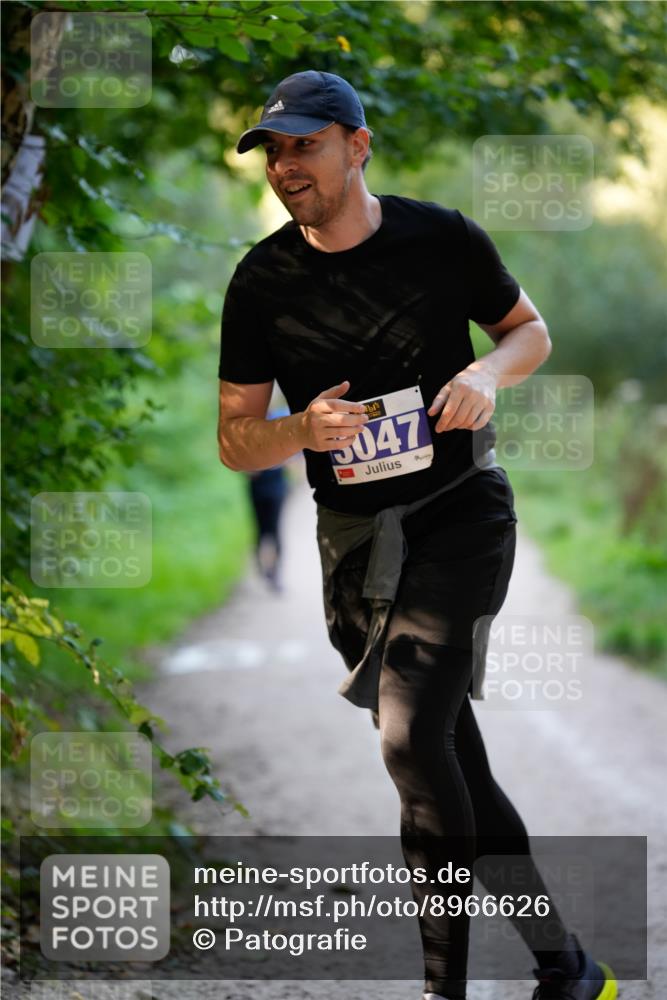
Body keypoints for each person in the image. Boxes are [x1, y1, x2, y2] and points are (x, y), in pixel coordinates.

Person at [217, 70, 617, 1000]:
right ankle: (567, 966)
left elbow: (530, 333)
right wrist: (298, 433)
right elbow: (237, 442)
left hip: (458, 515)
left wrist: (486, 375)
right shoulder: (261, 282)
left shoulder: (439, 238)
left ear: (357, 146)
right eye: (273, 151)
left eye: (304, 145)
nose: (285, 166)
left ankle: (444, 989)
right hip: (355, 543)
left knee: (405, 740)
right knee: (450, 761)